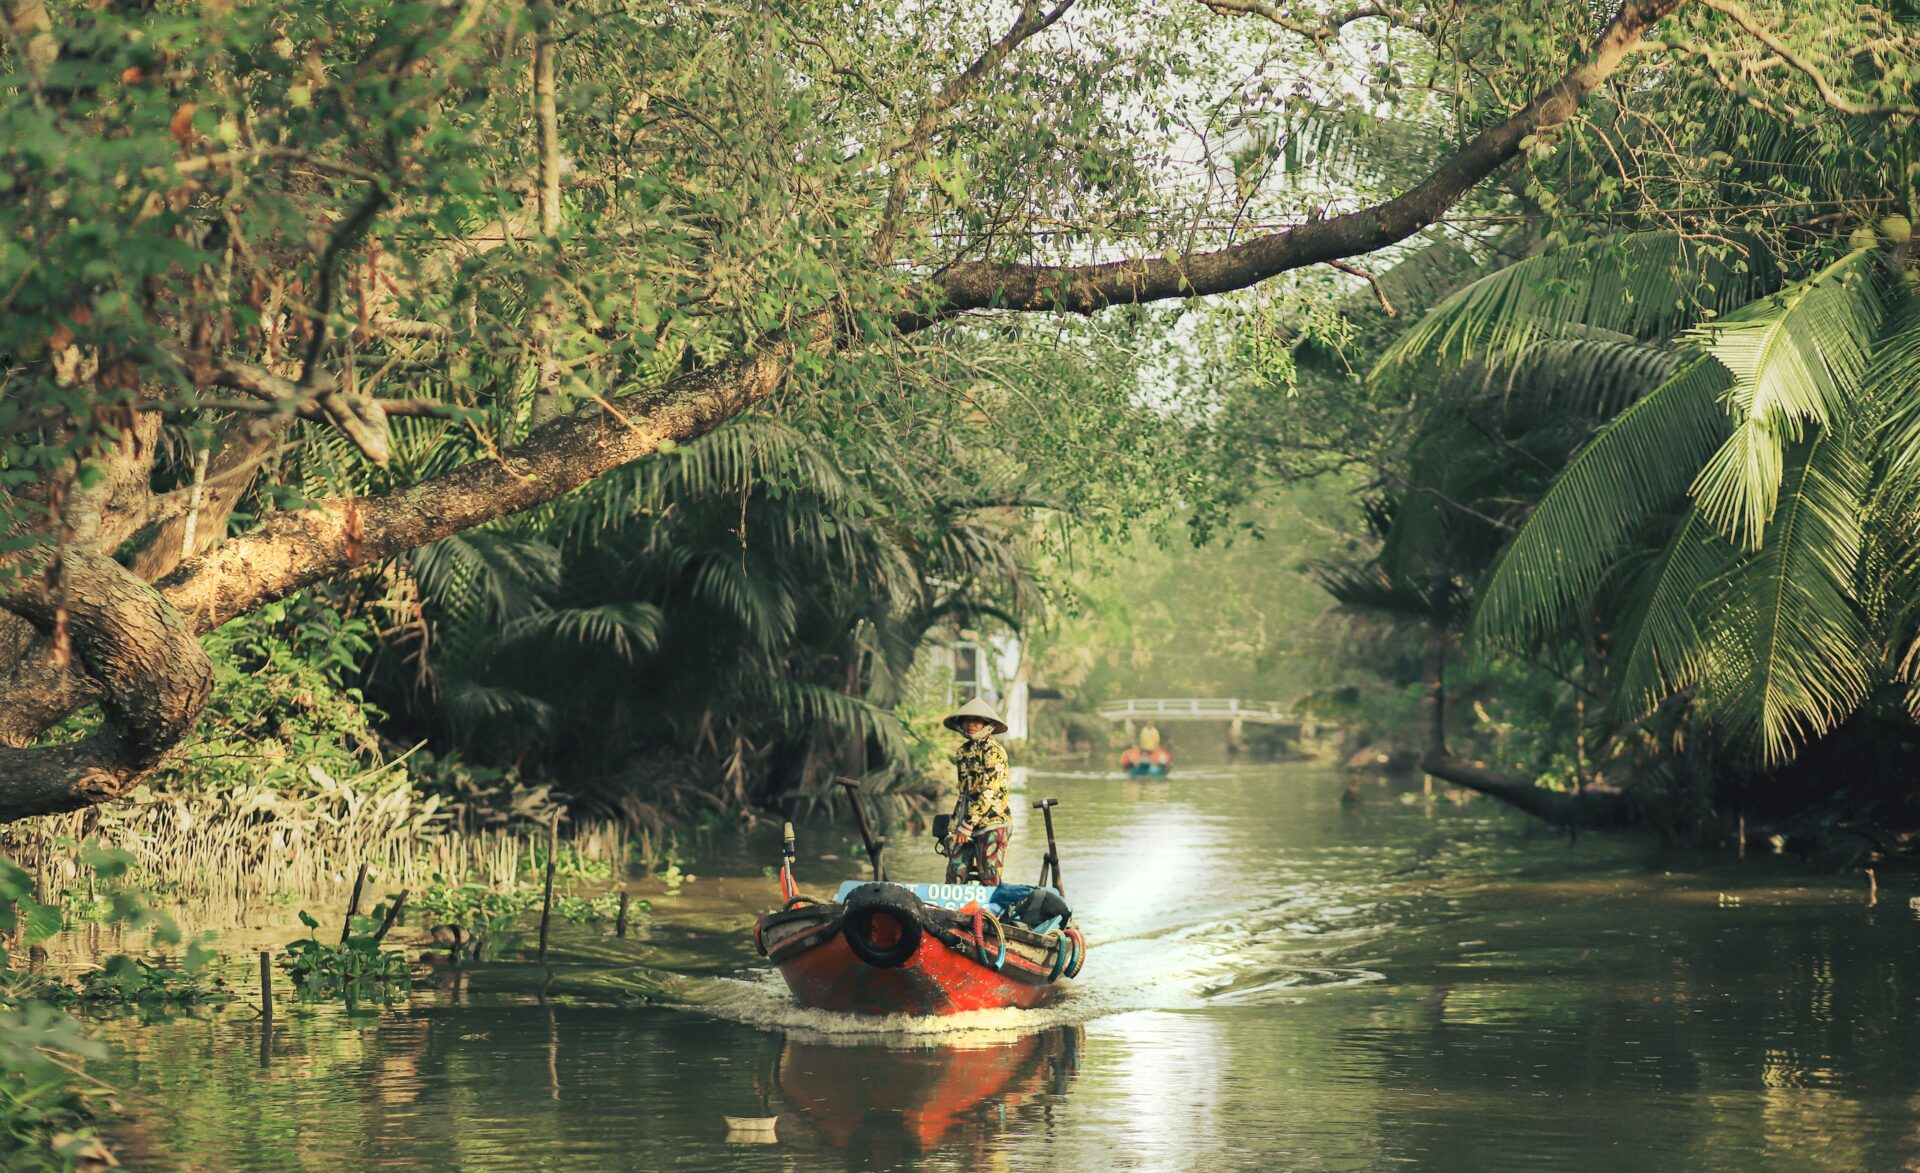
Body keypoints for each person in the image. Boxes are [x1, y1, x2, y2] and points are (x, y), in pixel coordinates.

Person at [939, 696, 1011, 885]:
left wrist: (968, 824)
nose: (971, 724)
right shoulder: (962, 751)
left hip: (992, 822)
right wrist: (954, 827)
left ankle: (986, 914)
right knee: (954, 875)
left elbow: (990, 792)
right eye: (967, 720)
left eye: (977, 721)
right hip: (966, 823)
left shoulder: (993, 750)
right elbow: (964, 794)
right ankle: (952, 913)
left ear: (986, 724)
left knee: (988, 877)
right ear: (961, 724)